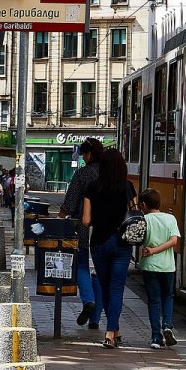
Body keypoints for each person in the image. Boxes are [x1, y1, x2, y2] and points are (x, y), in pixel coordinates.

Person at [82, 148, 135, 349]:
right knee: (117, 289)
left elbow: (86, 221)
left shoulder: (92, 188)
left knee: (104, 288)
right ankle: (112, 332)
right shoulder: (128, 187)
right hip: (122, 244)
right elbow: (135, 216)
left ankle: (112, 331)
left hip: (99, 243)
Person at [59, 138, 104, 330]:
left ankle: (87, 301)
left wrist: (60, 217)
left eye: (84, 154)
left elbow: (71, 202)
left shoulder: (82, 174)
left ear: (88, 154)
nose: (84, 158)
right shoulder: (110, 174)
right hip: (106, 230)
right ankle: (95, 320)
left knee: (82, 266)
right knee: (99, 274)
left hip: (85, 228)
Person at [138, 188, 181, 349]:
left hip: (150, 266)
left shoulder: (144, 220)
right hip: (168, 267)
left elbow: (137, 239)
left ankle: (156, 337)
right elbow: (173, 241)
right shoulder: (170, 219)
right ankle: (167, 326)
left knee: (154, 301)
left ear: (143, 204)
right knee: (168, 297)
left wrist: (151, 250)